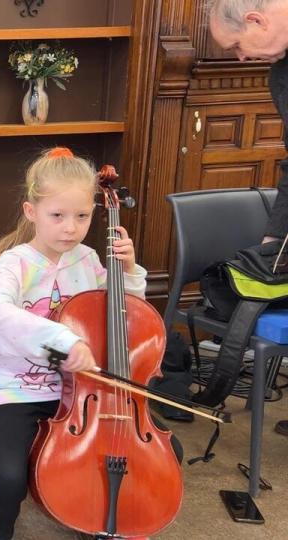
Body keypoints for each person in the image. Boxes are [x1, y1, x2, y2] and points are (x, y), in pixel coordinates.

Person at [0, 147, 151, 540]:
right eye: (58, 215)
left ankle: (98, 518)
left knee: (137, 457)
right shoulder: (13, 264)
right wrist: (64, 342)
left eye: (82, 216)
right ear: (31, 212)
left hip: (87, 392)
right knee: (8, 475)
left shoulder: (89, 260)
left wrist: (128, 273)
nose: (70, 228)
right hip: (18, 387)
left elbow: (127, 320)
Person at [207, 0, 288, 437]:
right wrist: (274, 238)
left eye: (238, 46)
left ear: (257, 20)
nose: (240, 58)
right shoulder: (281, 74)